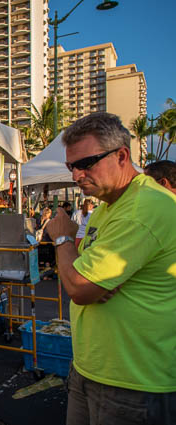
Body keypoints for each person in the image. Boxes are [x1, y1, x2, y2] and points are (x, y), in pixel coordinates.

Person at [45, 112, 176, 425]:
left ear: (121, 156)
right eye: (71, 166)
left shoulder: (143, 208)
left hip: (133, 381)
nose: (77, 175)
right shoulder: (109, 207)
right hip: (93, 368)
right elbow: (83, 275)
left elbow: (79, 286)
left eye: (86, 163)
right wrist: (89, 279)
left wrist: (62, 237)